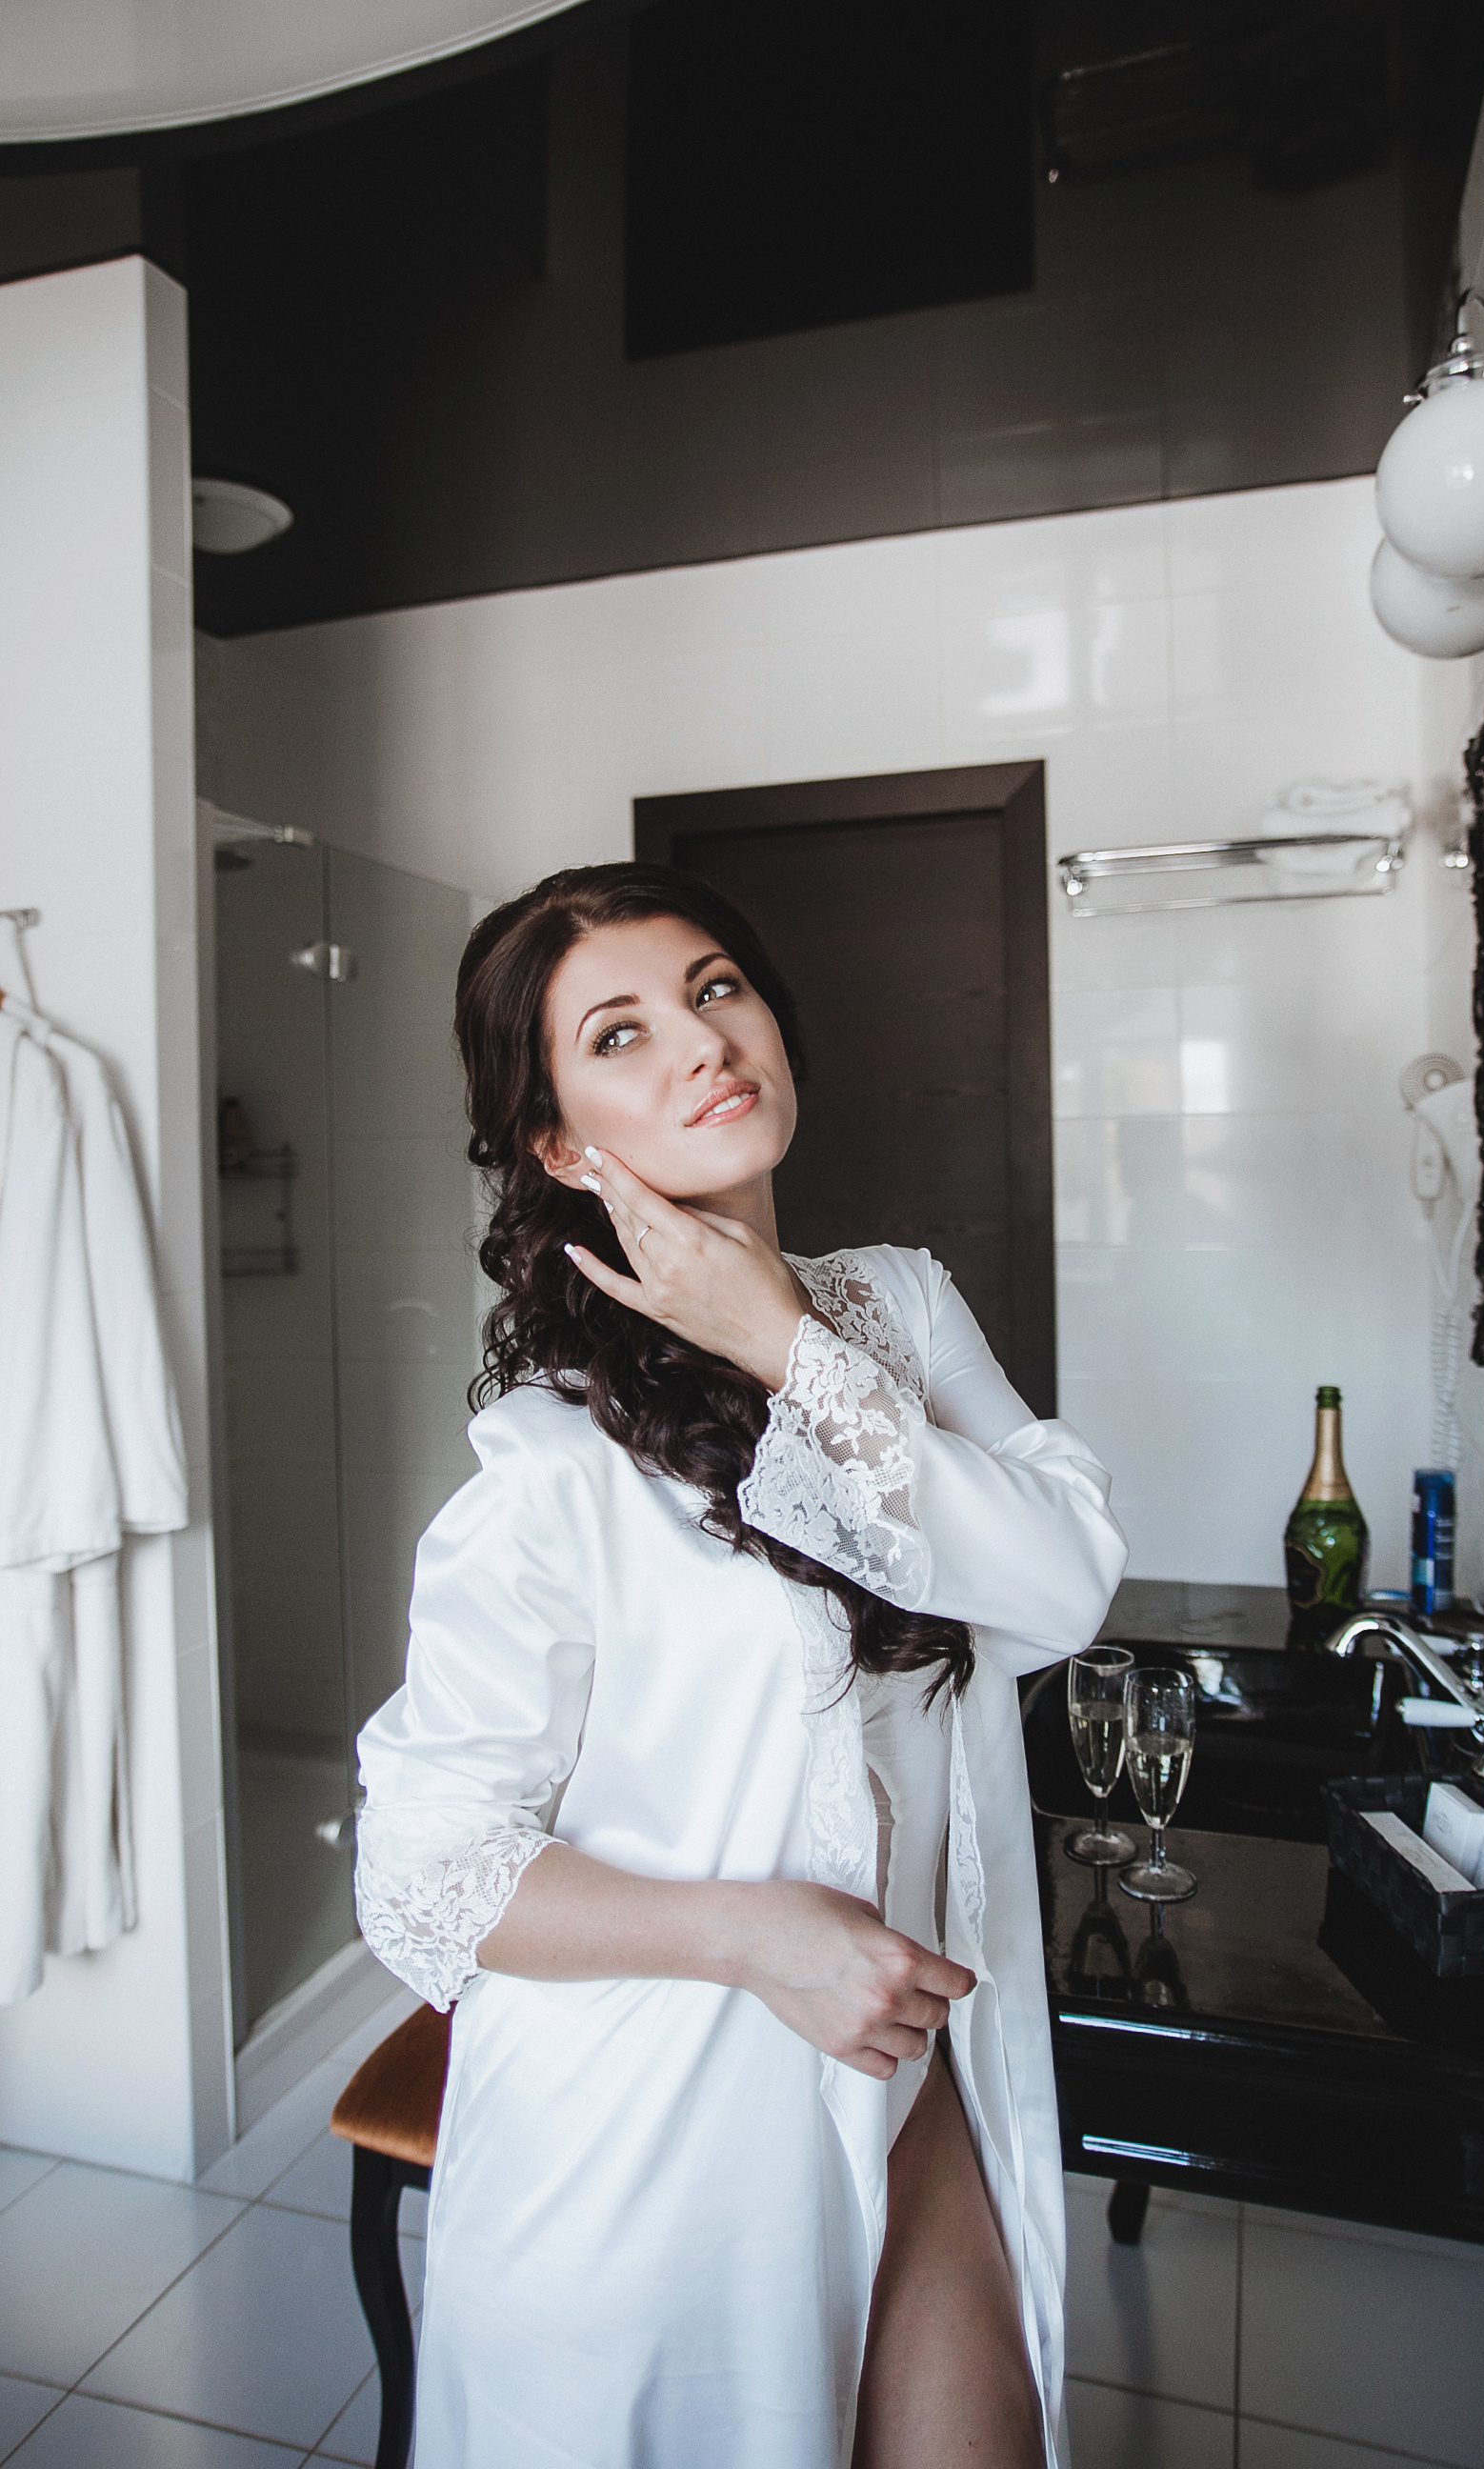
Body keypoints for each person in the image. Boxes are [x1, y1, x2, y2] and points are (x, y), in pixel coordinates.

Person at [354, 861, 1127, 2469]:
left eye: (715, 989)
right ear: (558, 1142)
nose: (702, 1041)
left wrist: (786, 1341)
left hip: (910, 2057)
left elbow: (1061, 1588)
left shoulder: (898, 1308)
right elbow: (425, 1873)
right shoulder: (552, 1461)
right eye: (619, 1034)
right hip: (659, 2110)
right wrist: (754, 1934)